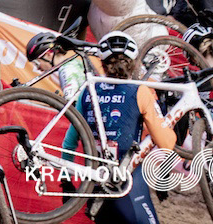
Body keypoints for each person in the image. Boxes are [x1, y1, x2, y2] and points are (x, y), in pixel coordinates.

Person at [74, 34, 179, 224]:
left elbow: (70, 139)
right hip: (127, 183)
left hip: (93, 182)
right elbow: (166, 143)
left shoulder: (87, 91)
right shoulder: (139, 91)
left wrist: (65, 181)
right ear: (133, 62)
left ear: (103, 63)